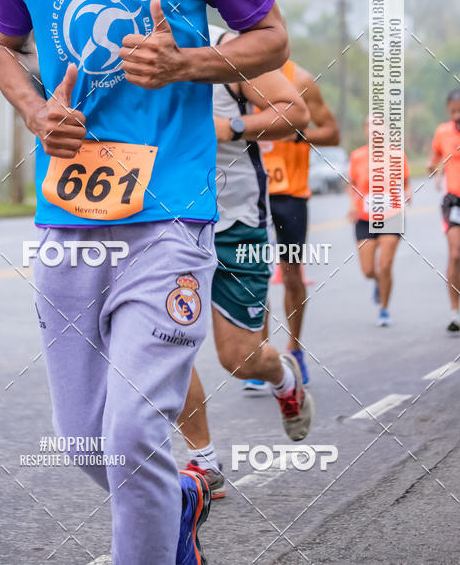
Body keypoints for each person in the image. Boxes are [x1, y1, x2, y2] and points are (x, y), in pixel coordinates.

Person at [0, 0, 290, 565]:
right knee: (88, 444)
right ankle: (181, 502)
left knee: (130, 432)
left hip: (171, 214)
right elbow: (4, 47)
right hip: (68, 220)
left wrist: (189, 60)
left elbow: (270, 37)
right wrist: (34, 111)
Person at [177, 27, 314, 498]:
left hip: (235, 224)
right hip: (164, 223)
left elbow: (296, 111)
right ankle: (204, 461)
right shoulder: (122, 46)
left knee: (241, 359)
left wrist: (232, 127)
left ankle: (284, 380)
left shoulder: (227, 46)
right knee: (164, 345)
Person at [260, 60, 340, 383]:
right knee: (254, 273)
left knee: (292, 275)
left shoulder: (302, 79)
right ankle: (260, 353)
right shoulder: (235, 73)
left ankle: (293, 349)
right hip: (251, 190)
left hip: (291, 194)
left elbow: (332, 133)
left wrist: (299, 136)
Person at [348, 117, 412, 326]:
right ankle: (378, 283)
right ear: (365, 130)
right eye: (370, 126)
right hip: (365, 218)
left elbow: (406, 182)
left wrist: (408, 193)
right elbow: (352, 184)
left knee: (385, 265)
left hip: (391, 216)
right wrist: (351, 204)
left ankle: (384, 309)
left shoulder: (397, 155)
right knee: (368, 271)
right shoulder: (357, 156)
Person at [428, 89, 460, 333]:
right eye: (453, 111)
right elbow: (434, 158)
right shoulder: (443, 132)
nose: (458, 115)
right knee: (456, 254)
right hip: (455, 202)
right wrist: (435, 169)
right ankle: (455, 313)